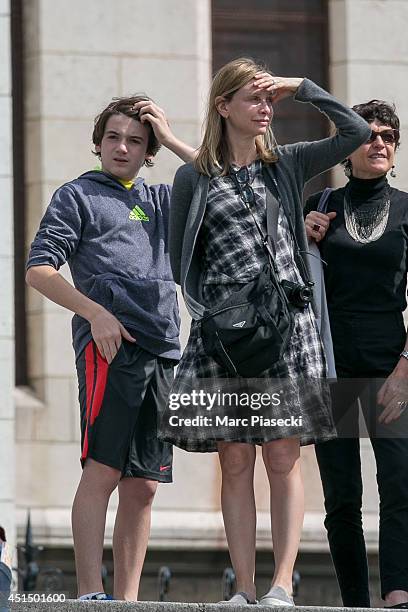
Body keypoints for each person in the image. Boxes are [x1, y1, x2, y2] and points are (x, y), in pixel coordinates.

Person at [166, 57, 370, 606]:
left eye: (267, 101)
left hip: (285, 329)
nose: (263, 108)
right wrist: (207, 308)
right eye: (252, 98)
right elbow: (180, 258)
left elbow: (355, 131)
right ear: (222, 106)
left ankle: (282, 584)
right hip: (223, 334)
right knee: (234, 457)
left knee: (282, 455)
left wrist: (299, 88)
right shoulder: (193, 178)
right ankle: (244, 588)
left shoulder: (286, 162)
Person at [26, 95, 195, 601]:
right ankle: (87, 593)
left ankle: (127, 600)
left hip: (164, 346)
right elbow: (39, 271)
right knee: (104, 469)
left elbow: (219, 177)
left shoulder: (164, 198)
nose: (122, 147)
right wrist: (95, 313)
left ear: (148, 152)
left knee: (144, 484)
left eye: (136, 141)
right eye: (114, 137)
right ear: (98, 142)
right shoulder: (76, 196)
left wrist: (166, 134)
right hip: (110, 347)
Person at [304, 100, 408, 608]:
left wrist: (405, 370)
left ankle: (397, 595)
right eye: (368, 134)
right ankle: (354, 603)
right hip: (332, 367)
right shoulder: (321, 204)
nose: (380, 143)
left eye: (389, 135)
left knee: (400, 486)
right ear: (348, 146)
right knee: (342, 499)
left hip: (394, 366)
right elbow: (292, 289)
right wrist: (304, 244)